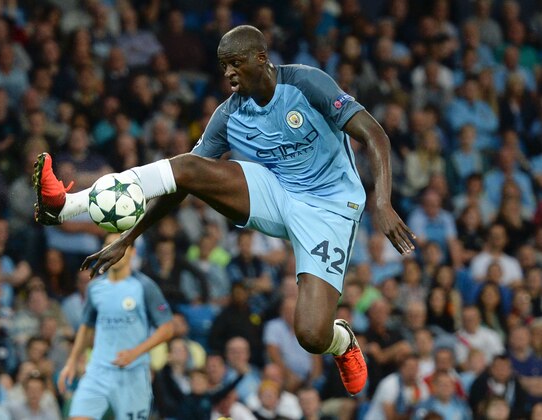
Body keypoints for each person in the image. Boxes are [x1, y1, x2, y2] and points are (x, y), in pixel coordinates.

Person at [34, 24, 416, 396]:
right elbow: (179, 182)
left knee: (312, 335)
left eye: (235, 63)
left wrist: (381, 201)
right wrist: (129, 238)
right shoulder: (230, 114)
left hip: (331, 207)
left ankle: (343, 340)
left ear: (260, 58)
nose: (229, 73)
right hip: (278, 191)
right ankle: (65, 206)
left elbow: (374, 133)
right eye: (223, 66)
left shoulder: (305, 83)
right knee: (187, 165)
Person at [56, 233, 174, 420]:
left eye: (121, 245)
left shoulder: (145, 286)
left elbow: (168, 328)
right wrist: (71, 361)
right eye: (109, 245)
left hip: (133, 374)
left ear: (133, 252)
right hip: (98, 372)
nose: (114, 250)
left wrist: (135, 353)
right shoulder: (94, 288)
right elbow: (86, 327)